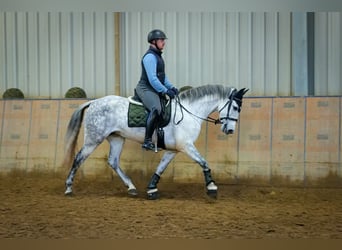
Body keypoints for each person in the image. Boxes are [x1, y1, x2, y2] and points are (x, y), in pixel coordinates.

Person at [135, 29, 179, 151]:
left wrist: (171, 87)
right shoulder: (150, 57)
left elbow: (162, 77)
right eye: (161, 40)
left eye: (163, 40)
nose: (164, 42)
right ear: (154, 41)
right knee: (157, 108)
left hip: (153, 88)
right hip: (145, 88)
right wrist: (165, 91)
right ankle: (147, 141)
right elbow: (153, 79)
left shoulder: (158, 56)